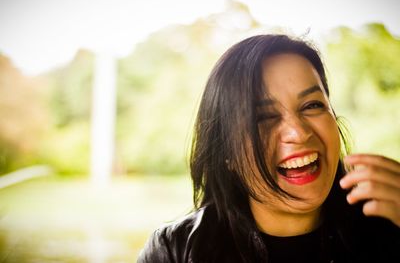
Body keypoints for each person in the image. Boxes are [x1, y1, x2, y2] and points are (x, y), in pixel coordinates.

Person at [138, 34, 400, 263]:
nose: (298, 133)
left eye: (312, 105)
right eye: (262, 118)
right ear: (226, 151)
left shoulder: (388, 227)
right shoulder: (174, 250)